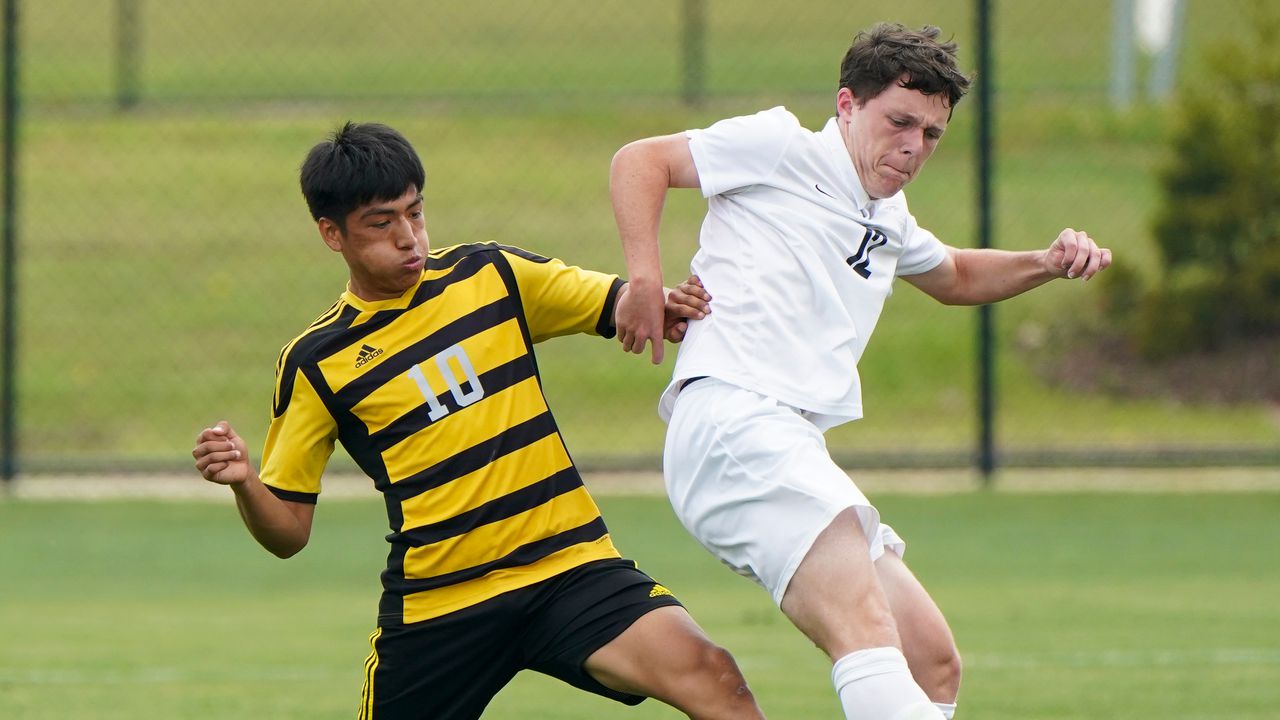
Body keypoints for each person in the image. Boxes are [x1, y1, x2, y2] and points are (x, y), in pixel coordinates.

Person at [610, 22, 1112, 720]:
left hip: (786, 442)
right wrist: (643, 277)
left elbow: (956, 274)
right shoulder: (782, 145)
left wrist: (1047, 261)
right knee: (867, 632)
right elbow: (640, 160)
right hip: (734, 420)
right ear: (847, 106)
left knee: (931, 661)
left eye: (931, 134)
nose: (913, 147)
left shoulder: (888, 214)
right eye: (899, 121)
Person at [191, 121, 765, 720]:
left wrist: (661, 304)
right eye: (382, 224)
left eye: (416, 212)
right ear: (331, 234)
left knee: (715, 676)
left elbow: (621, 304)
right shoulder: (317, 363)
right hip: (441, 605)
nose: (409, 237)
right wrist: (245, 483)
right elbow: (287, 532)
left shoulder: (489, 275)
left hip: (568, 568)